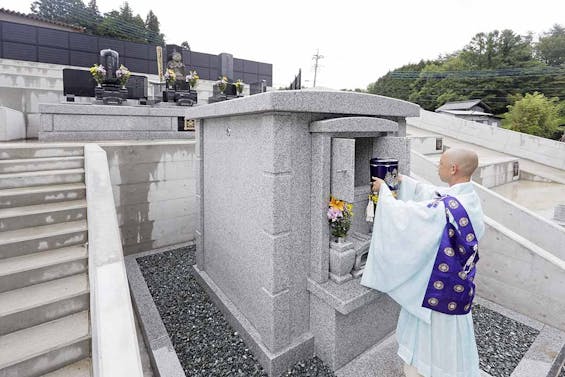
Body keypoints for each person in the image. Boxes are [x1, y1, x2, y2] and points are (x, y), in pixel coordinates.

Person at [361, 148, 485, 377]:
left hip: (439, 290)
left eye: (441, 163)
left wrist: (385, 194)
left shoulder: (446, 209)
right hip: (458, 285)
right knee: (452, 342)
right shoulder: (469, 197)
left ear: (453, 169)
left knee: (436, 343)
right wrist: (403, 182)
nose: (438, 166)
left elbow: (408, 216)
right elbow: (434, 195)